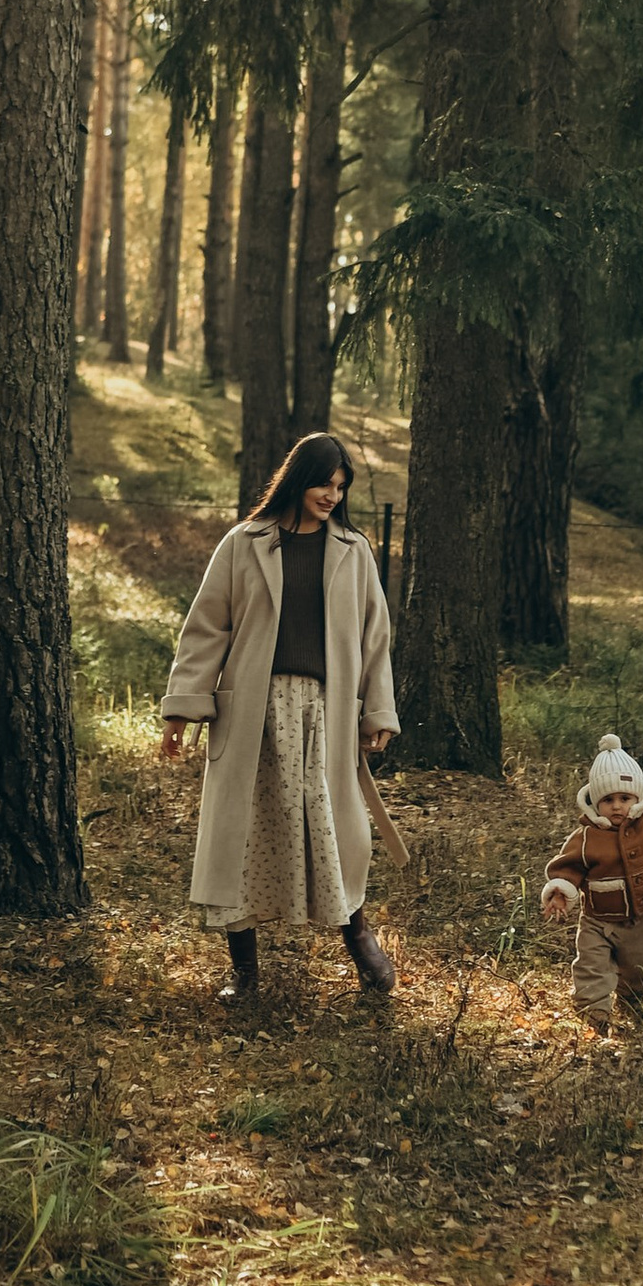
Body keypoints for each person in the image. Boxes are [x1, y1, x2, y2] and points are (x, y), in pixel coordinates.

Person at [159, 430, 400, 1012]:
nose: (332, 495)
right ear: (298, 479)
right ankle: (244, 975)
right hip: (253, 714)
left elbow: (375, 639)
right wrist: (183, 709)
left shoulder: (353, 550)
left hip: (326, 713)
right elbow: (206, 628)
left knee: (334, 829)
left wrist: (377, 711)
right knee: (244, 833)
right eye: (324, 482)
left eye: (341, 487)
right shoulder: (245, 543)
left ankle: (358, 935)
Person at [541, 733, 643, 1029]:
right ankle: (595, 1014)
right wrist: (559, 893)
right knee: (592, 967)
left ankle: (635, 1002)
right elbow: (568, 868)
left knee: (639, 969)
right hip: (597, 922)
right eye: (608, 800)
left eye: (624, 798)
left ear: (637, 797)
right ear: (595, 802)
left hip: (641, 920)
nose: (617, 807)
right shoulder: (587, 836)